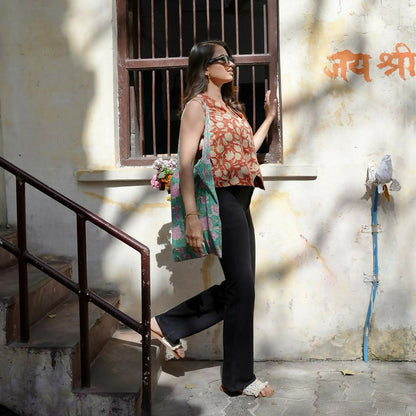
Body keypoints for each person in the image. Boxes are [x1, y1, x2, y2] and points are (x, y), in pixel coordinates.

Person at [151, 40, 276, 398]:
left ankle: (165, 324)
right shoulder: (197, 107)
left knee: (242, 287)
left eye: (232, 59)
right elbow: (186, 164)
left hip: (242, 198)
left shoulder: (233, 109)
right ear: (206, 67)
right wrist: (192, 216)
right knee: (243, 288)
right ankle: (238, 379)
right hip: (220, 200)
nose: (232, 64)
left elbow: (248, 149)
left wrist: (268, 118)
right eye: (224, 59)